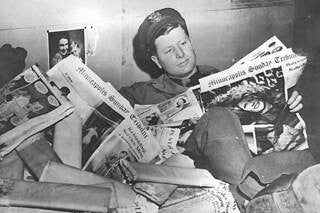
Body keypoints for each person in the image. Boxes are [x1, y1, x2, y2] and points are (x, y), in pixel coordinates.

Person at [119, 7, 315, 208]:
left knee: (300, 158)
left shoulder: (221, 79)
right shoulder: (140, 94)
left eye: (183, 43)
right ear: (156, 61)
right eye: (169, 50)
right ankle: (263, 200)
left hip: (235, 162)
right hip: (186, 162)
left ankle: (266, 197)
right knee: (218, 117)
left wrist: (287, 101)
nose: (180, 54)